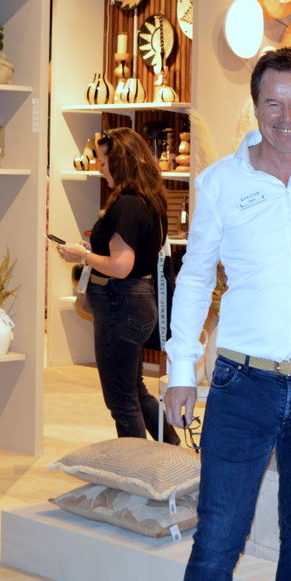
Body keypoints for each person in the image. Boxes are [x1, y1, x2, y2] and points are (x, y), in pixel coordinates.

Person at [164, 47, 291, 581]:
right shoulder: (220, 183)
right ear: (255, 106)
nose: (287, 117)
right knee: (218, 538)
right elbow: (195, 278)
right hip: (243, 386)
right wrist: (180, 371)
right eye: (274, 103)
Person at [54, 127, 179, 445]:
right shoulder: (149, 200)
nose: (100, 168)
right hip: (138, 303)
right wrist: (92, 250)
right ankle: (172, 449)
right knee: (134, 389)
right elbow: (129, 255)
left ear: (119, 162)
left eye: (102, 160)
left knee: (121, 401)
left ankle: (133, 467)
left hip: (120, 305)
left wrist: (83, 256)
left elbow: (121, 266)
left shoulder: (125, 204)